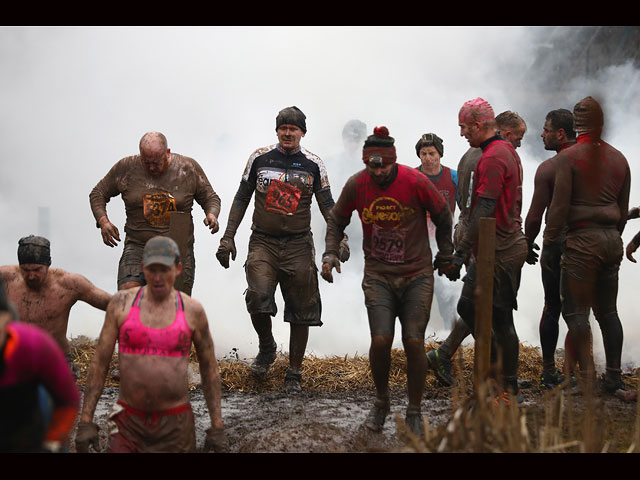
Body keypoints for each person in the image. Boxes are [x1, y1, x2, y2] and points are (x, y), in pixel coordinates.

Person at [321, 126, 454, 436]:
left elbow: (443, 213)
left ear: (394, 161)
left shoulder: (415, 181)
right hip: (378, 275)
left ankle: (414, 410)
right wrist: (330, 254)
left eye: (383, 165)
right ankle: (381, 403)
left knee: (412, 340)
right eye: (372, 165)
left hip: (416, 274)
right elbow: (337, 219)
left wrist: (446, 254)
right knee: (380, 340)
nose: (378, 171)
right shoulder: (358, 184)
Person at [215, 106, 348, 393]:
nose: (288, 133)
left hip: (299, 243)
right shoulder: (260, 158)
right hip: (263, 240)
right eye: (283, 128)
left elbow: (328, 205)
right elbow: (241, 197)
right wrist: (228, 236)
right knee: (258, 295)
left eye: (294, 128)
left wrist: (341, 239)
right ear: (276, 131)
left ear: (303, 132)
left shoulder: (314, 165)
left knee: (303, 306)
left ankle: (295, 372)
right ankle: (267, 346)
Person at [76, 236, 227, 453]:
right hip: (128, 423)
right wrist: (85, 421)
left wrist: (217, 426)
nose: (157, 278)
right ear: (142, 268)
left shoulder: (192, 311)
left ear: (177, 269)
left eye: (164, 270)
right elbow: (100, 362)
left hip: (175, 425)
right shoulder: (121, 305)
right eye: (151, 270)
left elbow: (209, 368)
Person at [427, 110, 528, 388]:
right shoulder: (491, 155)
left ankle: (498, 379)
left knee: (487, 312)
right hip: (487, 240)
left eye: (464, 128)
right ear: (504, 132)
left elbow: (475, 206)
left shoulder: (487, 155)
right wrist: (462, 252)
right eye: (517, 138)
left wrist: (462, 249)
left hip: (489, 239)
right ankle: (498, 378)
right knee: (486, 311)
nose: (519, 144)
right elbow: (481, 207)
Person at [543, 96, 631, 395]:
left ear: (577, 124)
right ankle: (615, 378)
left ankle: (589, 379)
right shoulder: (619, 158)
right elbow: (622, 208)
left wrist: (549, 240)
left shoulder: (569, 158)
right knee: (608, 312)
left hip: (582, 240)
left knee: (575, 312)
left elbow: (558, 208)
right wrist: (612, 236)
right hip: (611, 239)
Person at [89, 131, 221, 296]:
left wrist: (212, 215)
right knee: (128, 297)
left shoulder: (187, 168)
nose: (152, 168)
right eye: (146, 163)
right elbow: (98, 193)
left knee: (175, 305)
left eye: (157, 163)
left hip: (177, 248)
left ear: (168, 153)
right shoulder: (126, 168)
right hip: (138, 245)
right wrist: (104, 222)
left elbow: (211, 197)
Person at [524, 109, 577, 387]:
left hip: (556, 244)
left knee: (552, 306)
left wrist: (526, 242)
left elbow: (534, 215)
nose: (541, 134)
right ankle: (570, 373)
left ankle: (548, 371)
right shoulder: (593, 163)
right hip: (584, 244)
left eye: (545, 129)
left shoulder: (550, 168)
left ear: (560, 133)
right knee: (579, 312)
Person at [0, 235, 112, 366]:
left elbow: (112, 303)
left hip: (56, 357)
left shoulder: (68, 284)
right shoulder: (6, 279)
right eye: (25, 270)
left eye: (37, 270)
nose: (31, 276)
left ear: (48, 265)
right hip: (15, 355)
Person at [0, 275, 81, 452]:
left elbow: (69, 399)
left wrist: (52, 442)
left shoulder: (35, 345)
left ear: (7, 318)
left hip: (29, 428)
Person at [414, 132, 461, 331]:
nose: (428, 158)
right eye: (423, 153)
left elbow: (466, 209)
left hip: (443, 244)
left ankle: (451, 335)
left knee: (447, 295)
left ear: (440, 154)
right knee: (416, 295)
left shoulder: (453, 177)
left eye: (432, 153)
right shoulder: (412, 176)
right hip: (418, 244)